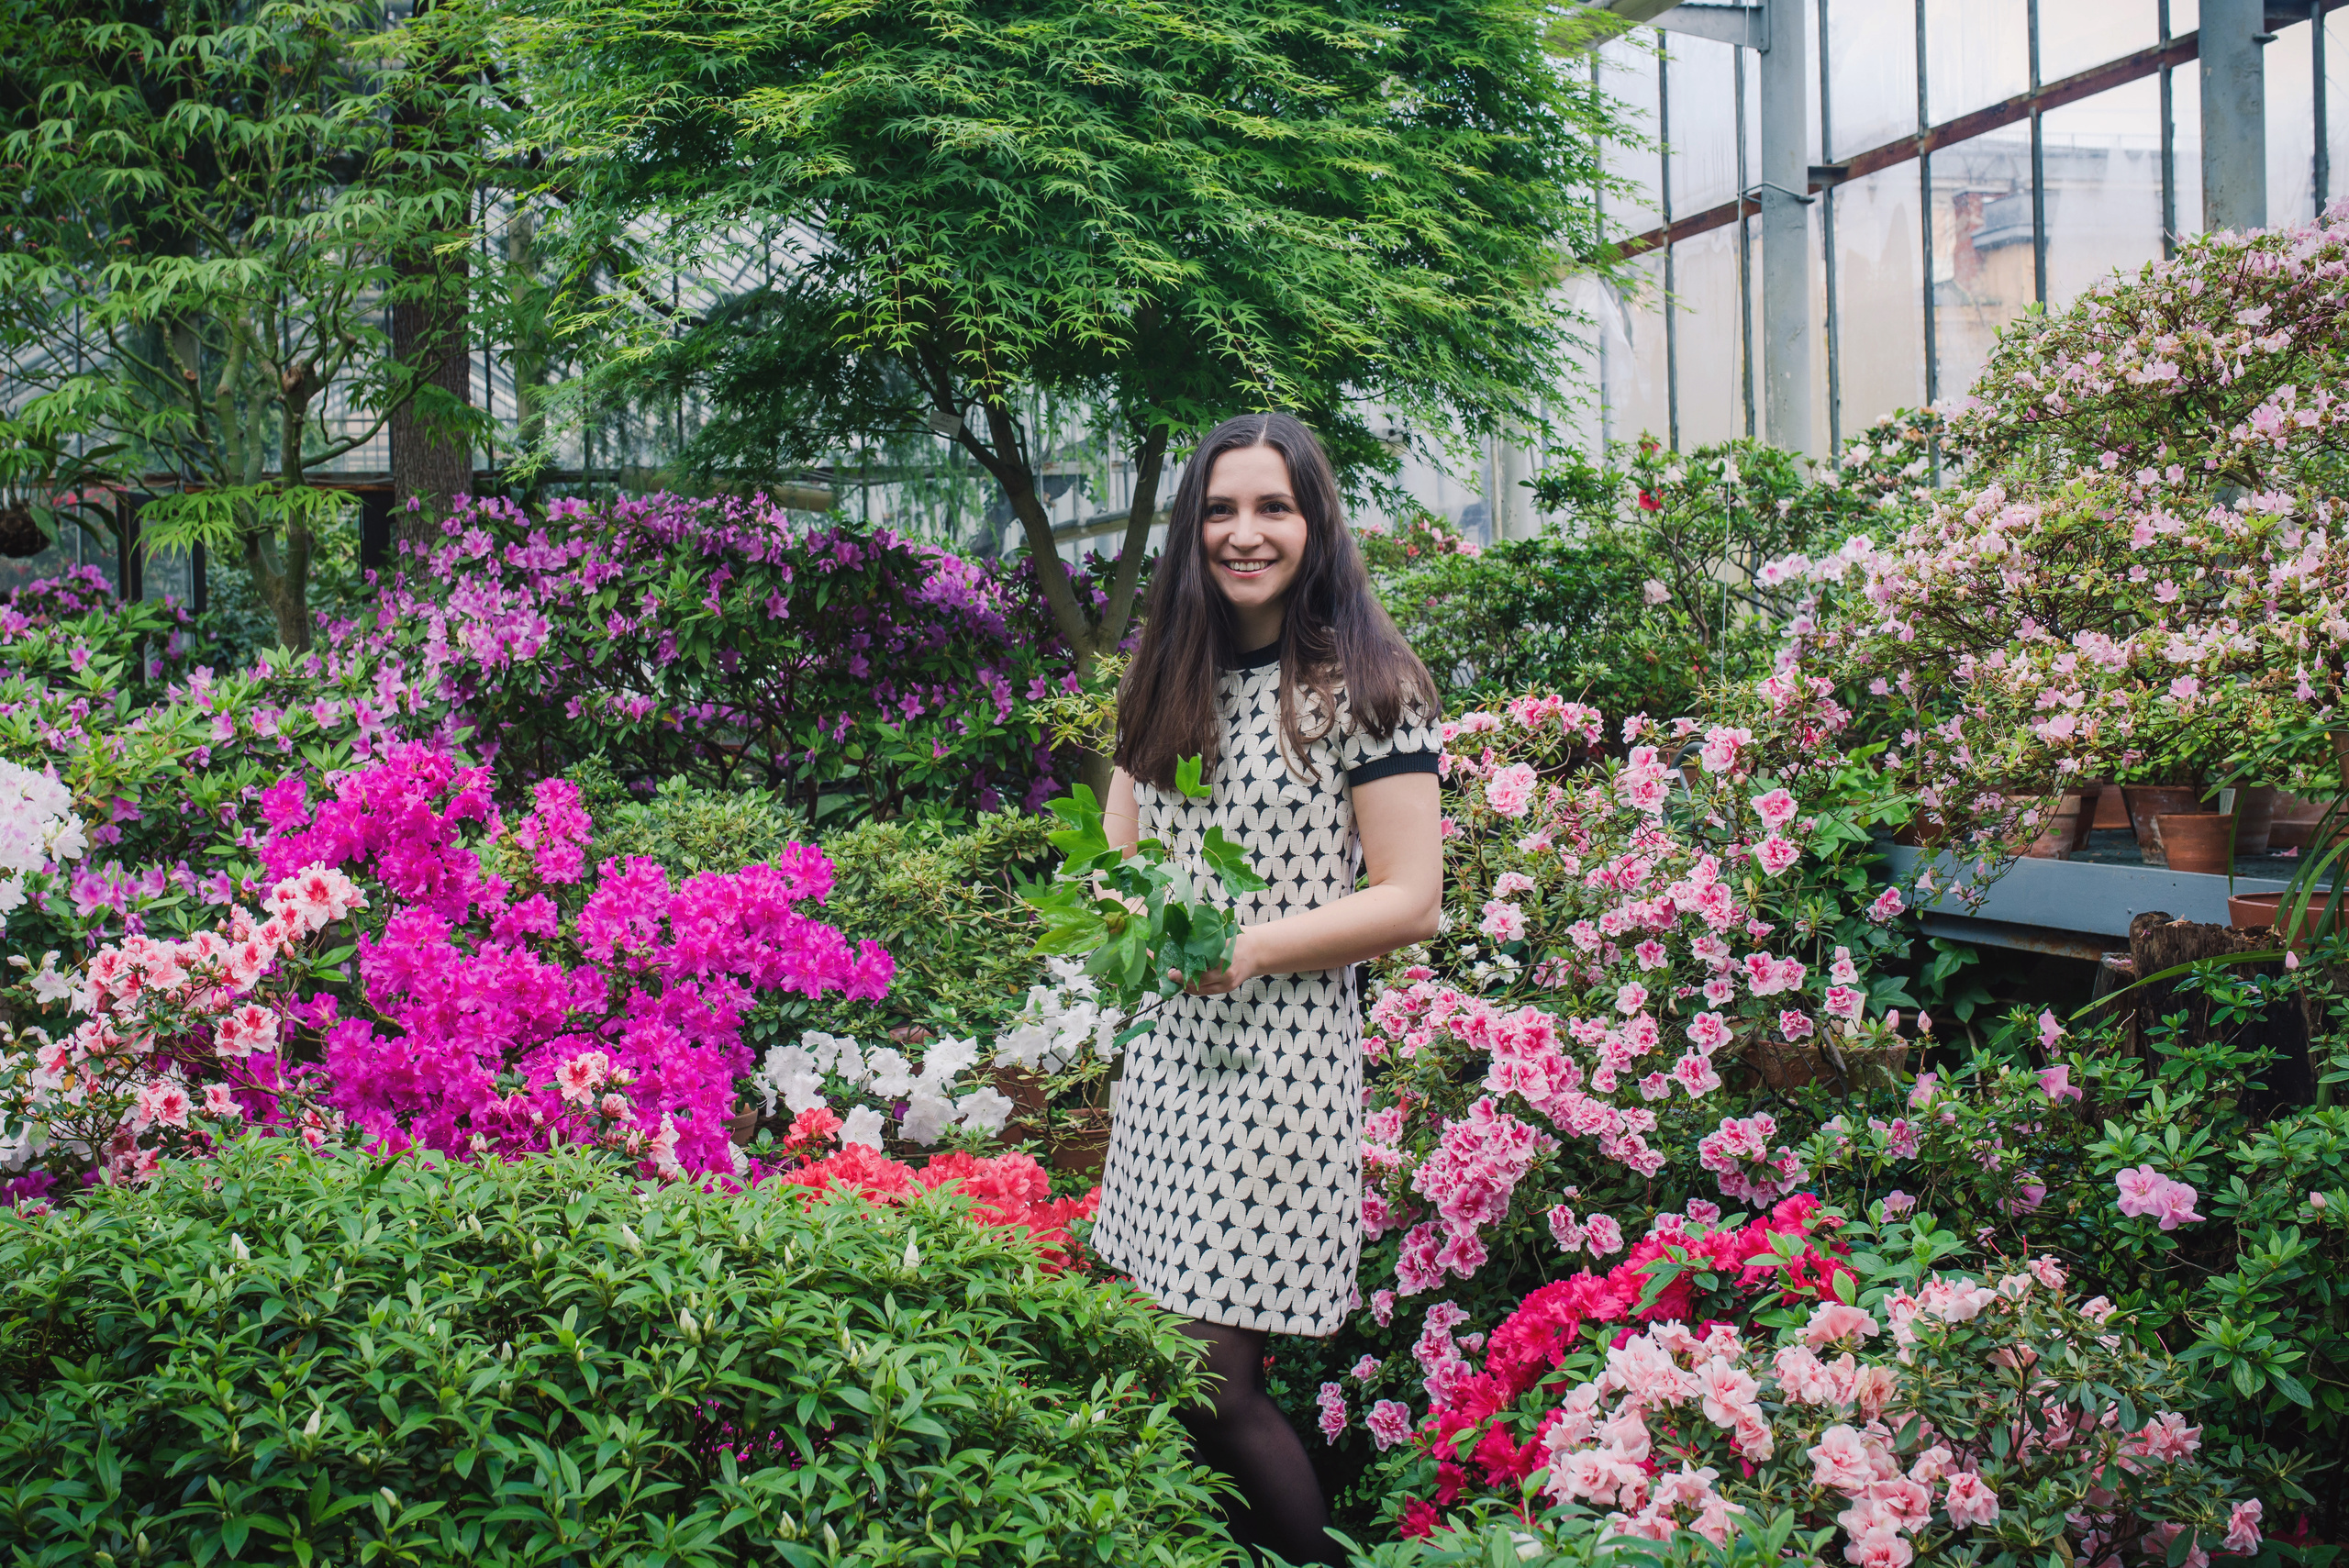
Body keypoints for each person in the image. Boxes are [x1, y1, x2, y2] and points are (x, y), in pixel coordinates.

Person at [1089, 411, 1446, 1563]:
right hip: (1169, 1061)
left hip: (1282, 1060)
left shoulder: (1368, 687)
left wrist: (1242, 944)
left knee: (1214, 1371)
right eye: (1221, 509)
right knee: (1163, 1350)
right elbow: (1121, 849)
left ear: (1315, 522)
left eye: (1273, 507)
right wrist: (1141, 922)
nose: (1245, 533)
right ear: (1194, 529)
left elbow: (1410, 897)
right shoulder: (1167, 674)